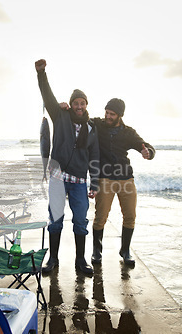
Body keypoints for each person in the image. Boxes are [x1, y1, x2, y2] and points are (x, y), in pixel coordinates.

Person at [35, 59, 100, 275]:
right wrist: (41, 73)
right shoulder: (59, 115)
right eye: (76, 103)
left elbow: (95, 157)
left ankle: (80, 260)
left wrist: (95, 183)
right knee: (55, 219)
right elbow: (48, 96)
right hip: (57, 177)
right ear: (71, 104)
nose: (79, 106)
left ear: (86, 105)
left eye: (82, 103)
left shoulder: (91, 128)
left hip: (79, 182)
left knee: (80, 221)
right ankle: (53, 258)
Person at [90, 98, 155, 266]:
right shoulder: (98, 125)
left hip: (126, 179)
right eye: (107, 112)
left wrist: (148, 152)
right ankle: (97, 251)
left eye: (112, 114)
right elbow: (80, 117)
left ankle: (125, 250)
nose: (108, 116)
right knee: (100, 217)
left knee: (130, 216)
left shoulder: (128, 132)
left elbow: (145, 145)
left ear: (120, 115)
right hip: (105, 178)